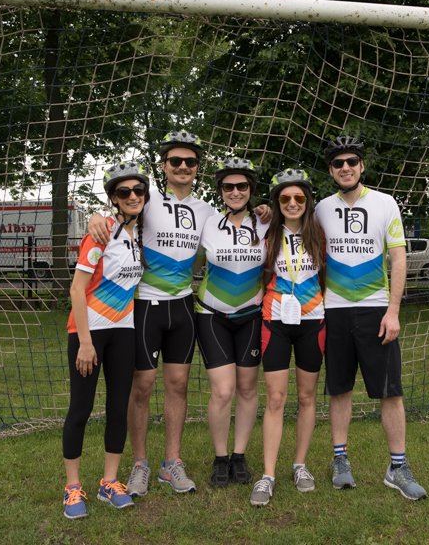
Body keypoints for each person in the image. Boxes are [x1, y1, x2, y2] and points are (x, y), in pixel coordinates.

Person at [87, 130, 214, 495]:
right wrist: (96, 215)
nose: (183, 167)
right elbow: (118, 205)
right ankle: (140, 462)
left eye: (190, 162)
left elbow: (232, 231)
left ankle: (172, 463)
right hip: (144, 306)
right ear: (164, 166)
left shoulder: (206, 211)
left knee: (178, 385)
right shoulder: (148, 197)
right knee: (141, 386)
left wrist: (263, 211)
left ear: (197, 167)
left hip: (183, 306)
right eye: (176, 161)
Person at [315, 136, 427, 501]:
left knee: (390, 391)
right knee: (339, 389)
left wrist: (393, 311)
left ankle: (398, 467)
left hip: (376, 309)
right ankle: (340, 460)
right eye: (338, 163)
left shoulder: (385, 203)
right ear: (331, 170)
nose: (345, 167)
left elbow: (398, 259)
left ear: (362, 165)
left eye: (352, 161)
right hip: (334, 310)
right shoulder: (321, 209)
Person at [62, 161, 150, 519]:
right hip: (88, 333)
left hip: (124, 332)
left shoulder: (139, 234)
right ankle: (72, 487)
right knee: (80, 410)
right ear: (114, 198)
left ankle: (109, 482)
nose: (133, 196)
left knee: (117, 408)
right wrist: (85, 342)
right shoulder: (101, 234)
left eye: (138, 190)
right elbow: (76, 289)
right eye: (124, 192)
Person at [250, 169, 326, 507]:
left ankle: (300, 465)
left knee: (307, 397)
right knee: (276, 399)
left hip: (313, 319)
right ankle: (267, 475)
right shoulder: (266, 230)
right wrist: (260, 211)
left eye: (299, 197)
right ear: (277, 202)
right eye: (285, 198)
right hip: (276, 320)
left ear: (308, 201)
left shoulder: (319, 233)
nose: (292, 203)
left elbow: (328, 274)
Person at [196, 158, 267, 488]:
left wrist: (269, 209)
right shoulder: (207, 223)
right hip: (212, 315)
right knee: (223, 391)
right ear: (220, 190)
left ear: (251, 189)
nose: (235, 192)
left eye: (242, 186)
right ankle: (220, 457)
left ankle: (239, 455)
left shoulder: (266, 222)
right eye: (228, 186)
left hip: (252, 315)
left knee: (248, 388)